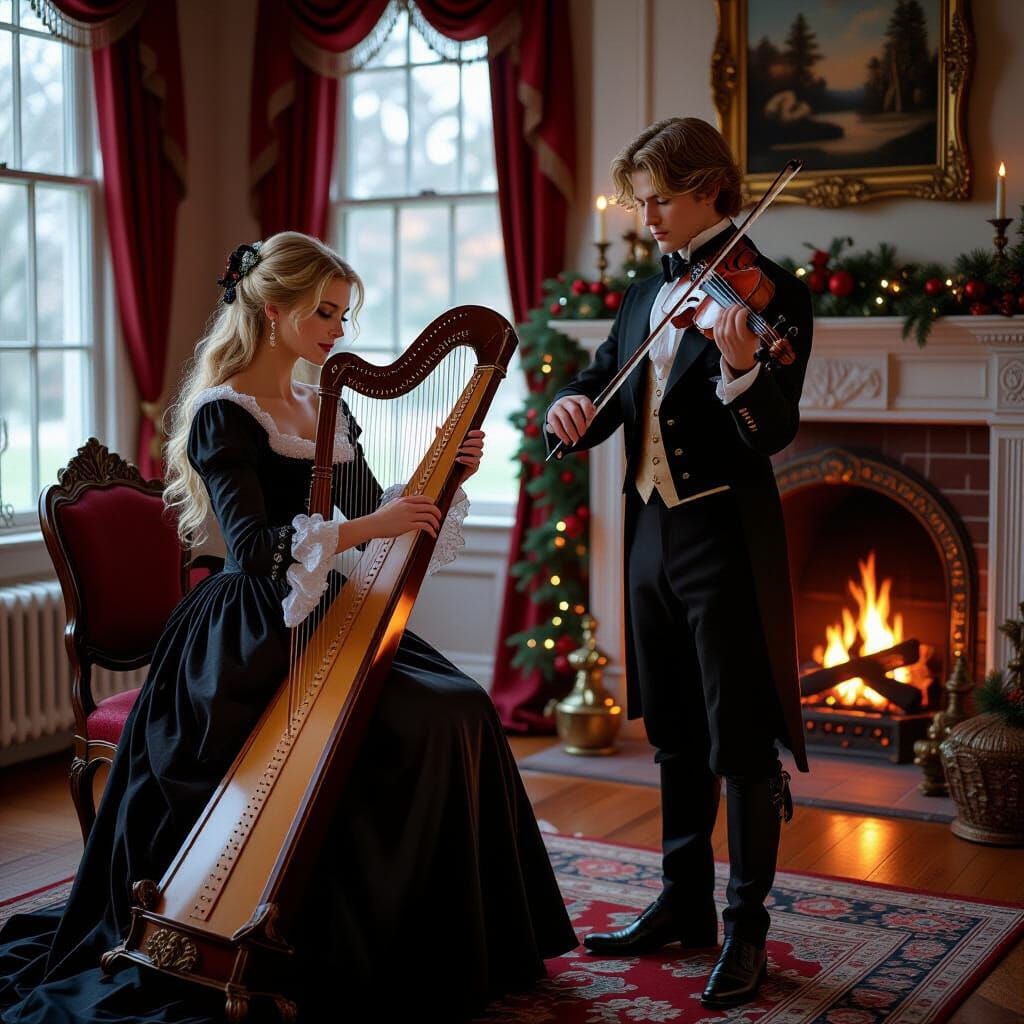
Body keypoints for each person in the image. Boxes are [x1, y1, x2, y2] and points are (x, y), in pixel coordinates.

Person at [0, 231, 577, 1023]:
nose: (339, 332)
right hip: (246, 631)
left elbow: (383, 513)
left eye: (343, 314)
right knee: (413, 725)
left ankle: (444, 944)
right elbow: (257, 548)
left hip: (326, 617)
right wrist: (368, 524)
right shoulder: (222, 413)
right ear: (274, 311)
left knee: (461, 705)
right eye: (325, 313)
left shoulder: (324, 408)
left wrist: (450, 475)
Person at [545, 118, 811, 1009]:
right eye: (640, 199)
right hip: (651, 532)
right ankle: (684, 901)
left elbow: (772, 430)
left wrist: (743, 364)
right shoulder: (640, 294)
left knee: (738, 737)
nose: (646, 215)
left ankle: (746, 928)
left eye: (659, 198)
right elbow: (604, 378)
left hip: (725, 537)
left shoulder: (773, 295)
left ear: (709, 188)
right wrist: (573, 407)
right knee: (671, 730)